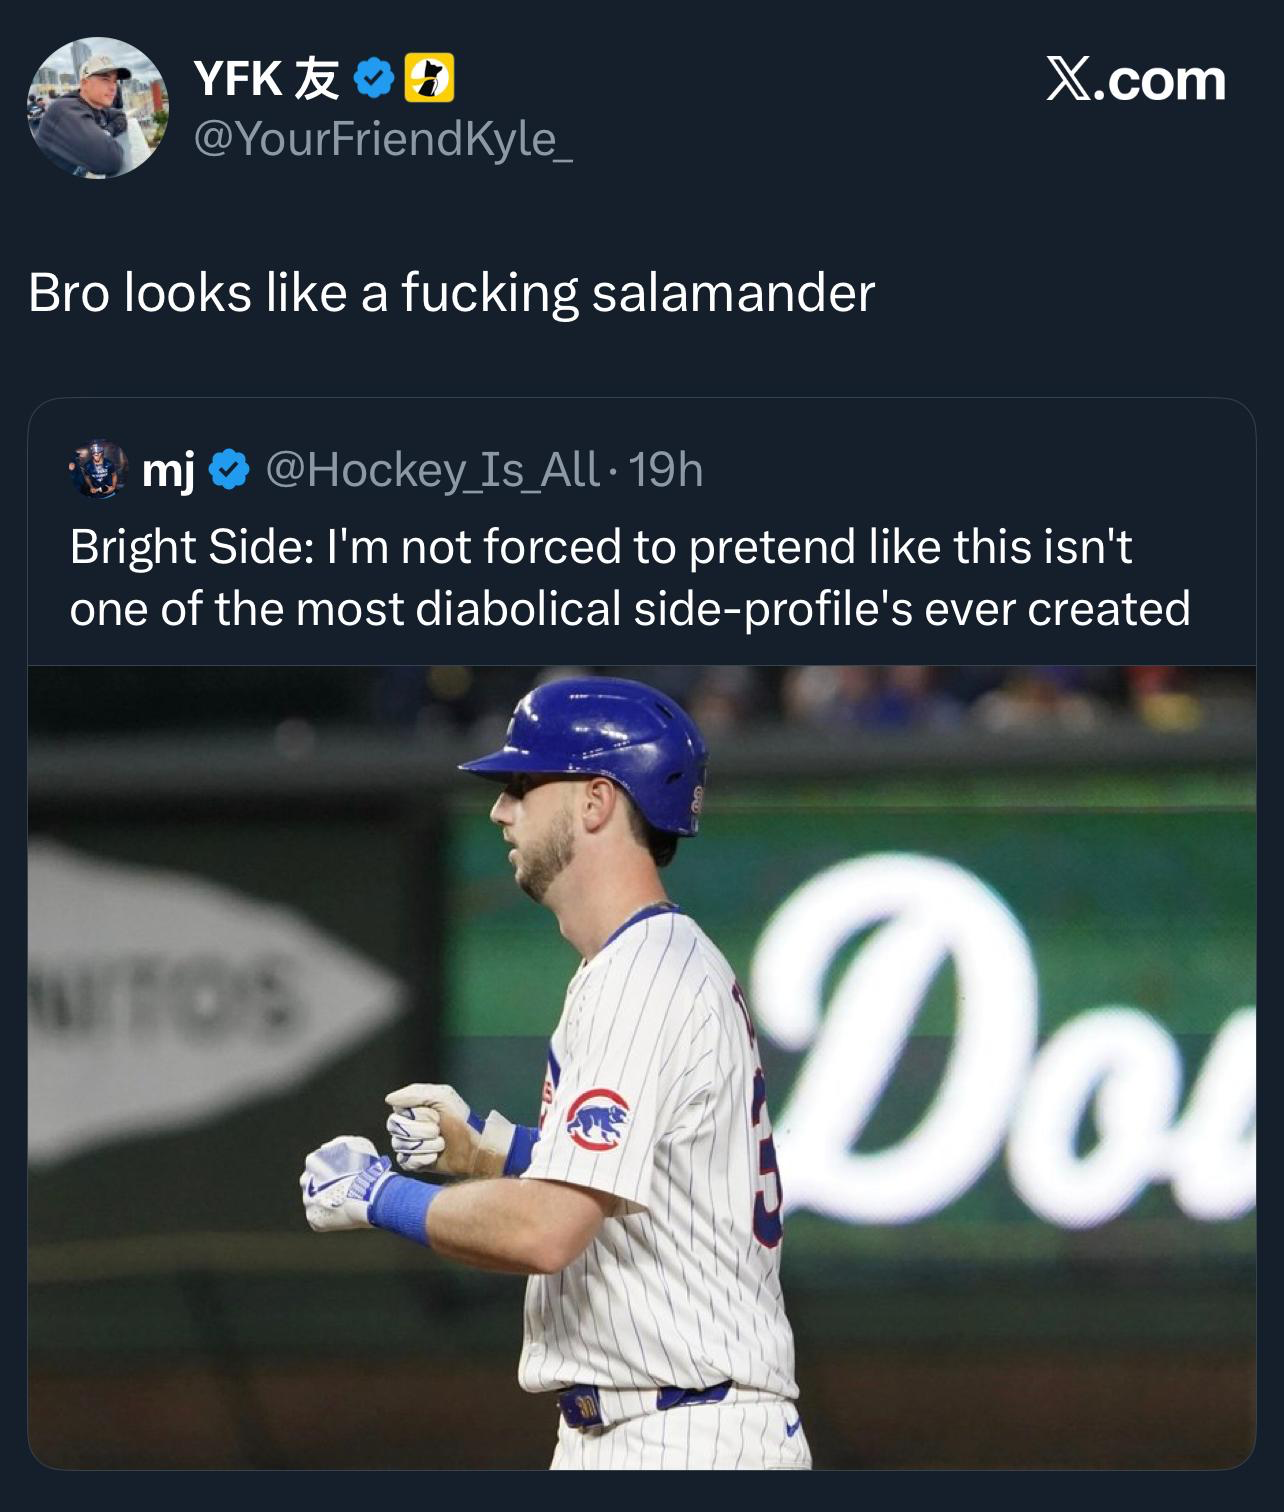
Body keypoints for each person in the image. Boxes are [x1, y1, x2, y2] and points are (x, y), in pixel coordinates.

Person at [300, 676, 810, 1470]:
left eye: (522, 785)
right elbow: (641, 1177)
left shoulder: (642, 978)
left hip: (683, 1434)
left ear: (596, 801)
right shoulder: (649, 962)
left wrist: (377, 1195)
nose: (502, 811)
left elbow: (548, 1230)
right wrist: (486, 1150)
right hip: (657, 1427)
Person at [34, 54, 131, 177]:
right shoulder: (65, 110)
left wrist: (107, 131)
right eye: (105, 79)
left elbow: (120, 116)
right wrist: (105, 136)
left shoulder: (96, 107)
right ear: (84, 83)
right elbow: (111, 160)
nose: (113, 87)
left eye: (114, 81)